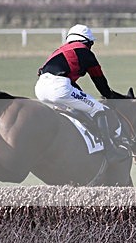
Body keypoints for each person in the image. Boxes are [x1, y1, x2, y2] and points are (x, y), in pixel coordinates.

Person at [35, 24, 129, 161]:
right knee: (98, 108)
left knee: (73, 110)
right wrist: (109, 96)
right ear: (87, 42)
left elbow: (67, 81)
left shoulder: (59, 51)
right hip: (59, 88)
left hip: (40, 89)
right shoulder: (85, 52)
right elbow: (99, 79)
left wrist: (81, 95)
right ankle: (110, 151)